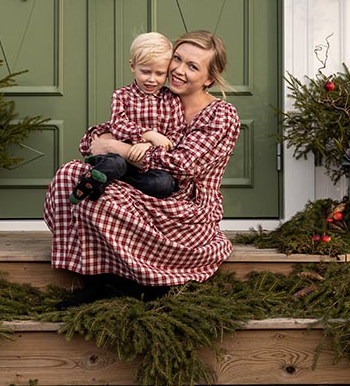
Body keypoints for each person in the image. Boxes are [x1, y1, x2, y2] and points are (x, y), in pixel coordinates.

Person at [44, 30, 240, 308]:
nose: (178, 70)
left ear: (208, 78)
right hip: (138, 184)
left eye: (192, 66)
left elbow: (183, 166)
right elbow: (99, 137)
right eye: (177, 59)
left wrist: (122, 150)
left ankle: (124, 282)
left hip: (182, 203)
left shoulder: (220, 115)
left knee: (100, 197)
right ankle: (95, 277)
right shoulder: (153, 96)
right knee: (70, 174)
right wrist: (102, 142)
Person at [70, 32, 183, 204]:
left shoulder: (172, 100)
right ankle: (92, 181)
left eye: (160, 74)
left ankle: (103, 184)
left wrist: (147, 146)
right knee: (115, 164)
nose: (152, 79)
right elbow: (118, 126)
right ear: (132, 66)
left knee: (164, 183)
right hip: (120, 157)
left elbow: (172, 138)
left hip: (147, 165)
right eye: (145, 72)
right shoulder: (122, 95)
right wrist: (148, 134)